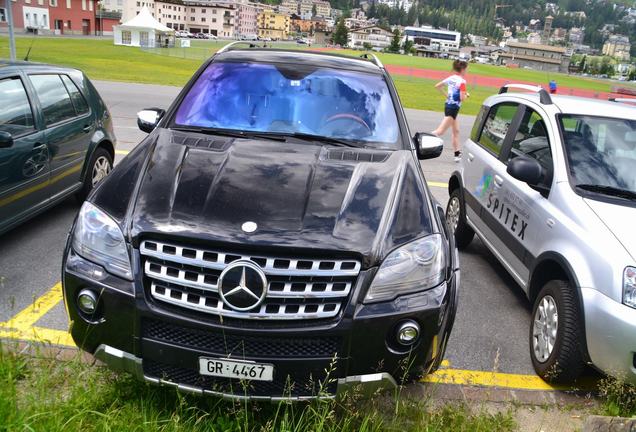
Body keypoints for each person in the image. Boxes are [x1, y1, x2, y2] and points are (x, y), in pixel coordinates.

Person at [432, 60, 469, 162]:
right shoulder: (462, 81)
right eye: (466, 69)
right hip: (453, 108)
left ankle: (457, 154)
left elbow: (437, 86)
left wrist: (447, 95)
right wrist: (466, 95)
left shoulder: (451, 78)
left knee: (456, 131)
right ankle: (418, 140)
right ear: (462, 69)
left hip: (449, 106)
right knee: (440, 131)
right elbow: (462, 98)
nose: (467, 71)